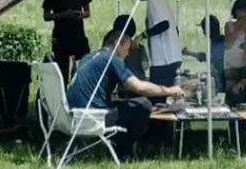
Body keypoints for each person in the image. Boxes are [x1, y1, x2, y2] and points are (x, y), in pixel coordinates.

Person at [66, 29, 185, 160]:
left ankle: (119, 146)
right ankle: (124, 151)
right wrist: (170, 90)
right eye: (127, 49)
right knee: (142, 105)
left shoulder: (89, 57)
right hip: (92, 116)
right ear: (117, 43)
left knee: (124, 104)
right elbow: (139, 87)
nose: (128, 54)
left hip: (72, 115)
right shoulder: (112, 59)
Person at [42, 0, 93, 86]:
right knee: (61, 71)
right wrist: (63, 15)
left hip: (78, 34)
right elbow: (46, 16)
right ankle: (62, 93)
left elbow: (88, 12)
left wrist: (80, 14)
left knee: (84, 65)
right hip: (61, 36)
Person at [131, 0, 182, 86]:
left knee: (157, 95)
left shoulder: (153, 0)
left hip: (164, 59)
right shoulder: (159, 0)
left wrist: (142, 36)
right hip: (172, 56)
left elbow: (164, 24)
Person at [224, 0, 246, 90]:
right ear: (235, 11)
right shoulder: (229, 25)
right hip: (231, 64)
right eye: (240, 11)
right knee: (230, 89)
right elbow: (228, 45)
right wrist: (237, 29)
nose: (242, 14)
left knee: (245, 89)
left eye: (245, 11)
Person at [112, 14, 149, 81]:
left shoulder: (116, 48)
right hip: (141, 82)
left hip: (125, 84)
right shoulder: (139, 47)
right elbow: (145, 66)